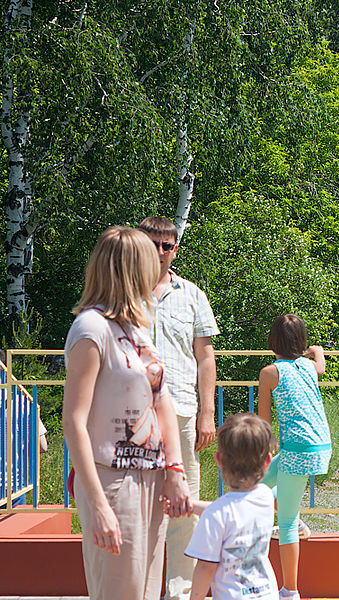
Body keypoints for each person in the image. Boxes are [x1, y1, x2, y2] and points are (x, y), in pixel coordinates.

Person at [62, 226, 192, 600]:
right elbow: (74, 422)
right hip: (113, 480)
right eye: (150, 261)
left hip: (150, 476)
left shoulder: (135, 327)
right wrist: (99, 505)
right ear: (131, 270)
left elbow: (160, 399)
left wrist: (174, 469)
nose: (158, 268)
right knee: (121, 593)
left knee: (147, 592)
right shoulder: (91, 328)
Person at [137, 216, 220, 600]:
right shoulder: (123, 291)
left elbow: (205, 356)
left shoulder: (193, 294)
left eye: (166, 245)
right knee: (137, 502)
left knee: (184, 503)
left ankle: (181, 590)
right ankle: (141, 587)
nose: (159, 251)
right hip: (132, 415)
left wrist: (207, 413)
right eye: (152, 243)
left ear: (175, 249)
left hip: (184, 411)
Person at [257, 315, 331, 600]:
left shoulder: (269, 373)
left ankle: (290, 591)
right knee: (257, 484)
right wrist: (316, 349)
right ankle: (295, 517)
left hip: (297, 451)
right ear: (300, 342)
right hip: (318, 446)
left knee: (284, 522)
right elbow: (321, 362)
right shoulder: (309, 367)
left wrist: (269, 442)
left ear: (272, 342)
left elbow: (264, 419)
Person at [185, 413, 278, 600]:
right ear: (267, 461)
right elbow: (236, 509)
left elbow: (205, 567)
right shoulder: (266, 497)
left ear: (218, 460)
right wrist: (193, 506)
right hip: (267, 593)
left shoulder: (216, 515)